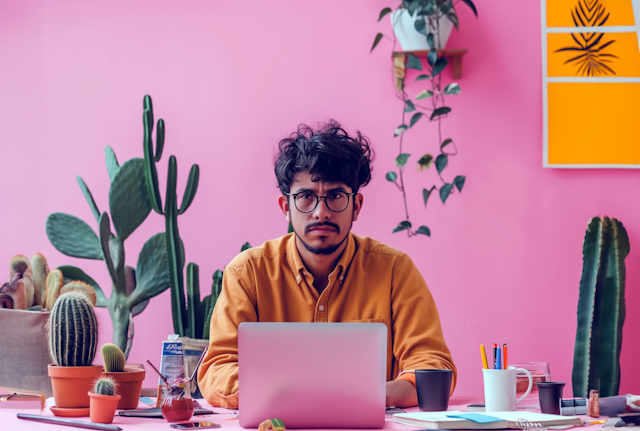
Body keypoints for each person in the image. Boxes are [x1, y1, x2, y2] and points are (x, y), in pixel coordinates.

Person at [198, 121, 456, 409]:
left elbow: (432, 369)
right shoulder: (248, 273)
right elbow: (218, 370)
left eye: (335, 196)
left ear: (356, 206)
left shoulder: (395, 271)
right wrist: (304, 395)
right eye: (306, 196)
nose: (321, 213)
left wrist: (363, 396)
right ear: (286, 207)